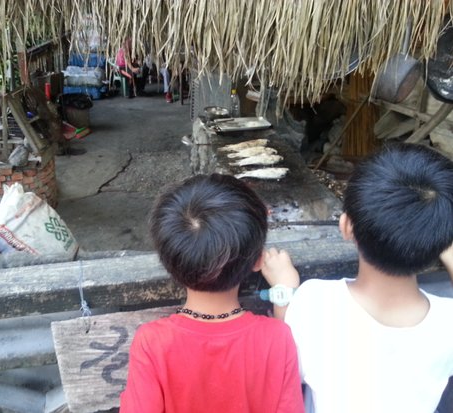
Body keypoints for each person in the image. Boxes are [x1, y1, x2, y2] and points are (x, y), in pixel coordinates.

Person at [261, 143, 453, 413]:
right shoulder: (447, 323)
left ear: (346, 226)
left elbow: (289, 356)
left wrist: (283, 287)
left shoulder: (314, 300)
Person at [120, 173, 304, 413]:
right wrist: (284, 292)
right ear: (258, 260)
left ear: (168, 263)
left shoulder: (152, 343)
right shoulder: (276, 338)